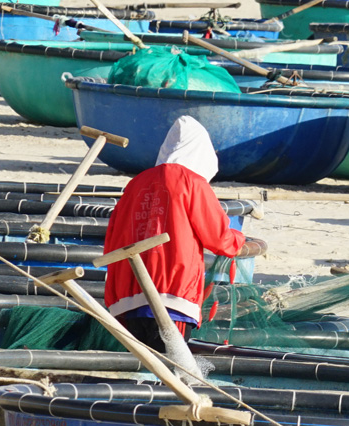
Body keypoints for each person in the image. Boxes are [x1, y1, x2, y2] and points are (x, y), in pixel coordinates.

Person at [103, 116, 263, 349]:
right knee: (172, 365)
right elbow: (219, 239)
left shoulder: (136, 183)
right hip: (172, 291)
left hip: (127, 294)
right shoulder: (192, 183)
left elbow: (112, 240)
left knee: (139, 370)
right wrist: (242, 242)